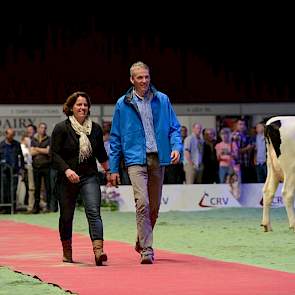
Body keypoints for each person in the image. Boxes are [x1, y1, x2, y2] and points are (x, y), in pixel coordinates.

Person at [109, 61, 182, 264]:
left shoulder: (163, 100)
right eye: (139, 77)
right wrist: (113, 168)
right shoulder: (122, 104)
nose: (144, 81)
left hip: (158, 158)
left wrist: (176, 147)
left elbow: (175, 128)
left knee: (154, 207)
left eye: (146, 77)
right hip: (135, 160)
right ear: (132, 80)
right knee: (142, 203)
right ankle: (147, 250)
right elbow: (115, 138)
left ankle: (141, 239)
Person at [50, 91, 110, 266]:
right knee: (67, 216)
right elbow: (53, 154)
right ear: (71, 107)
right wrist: (67, 170)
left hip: (89, 176)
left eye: (85, 105)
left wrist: (110, 172)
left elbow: (101, 154)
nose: (82, 107)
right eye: (79, 104)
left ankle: (99, 252)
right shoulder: (62, 128)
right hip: (66, 178)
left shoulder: (96, 129)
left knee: (93, 212)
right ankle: (67, 251)